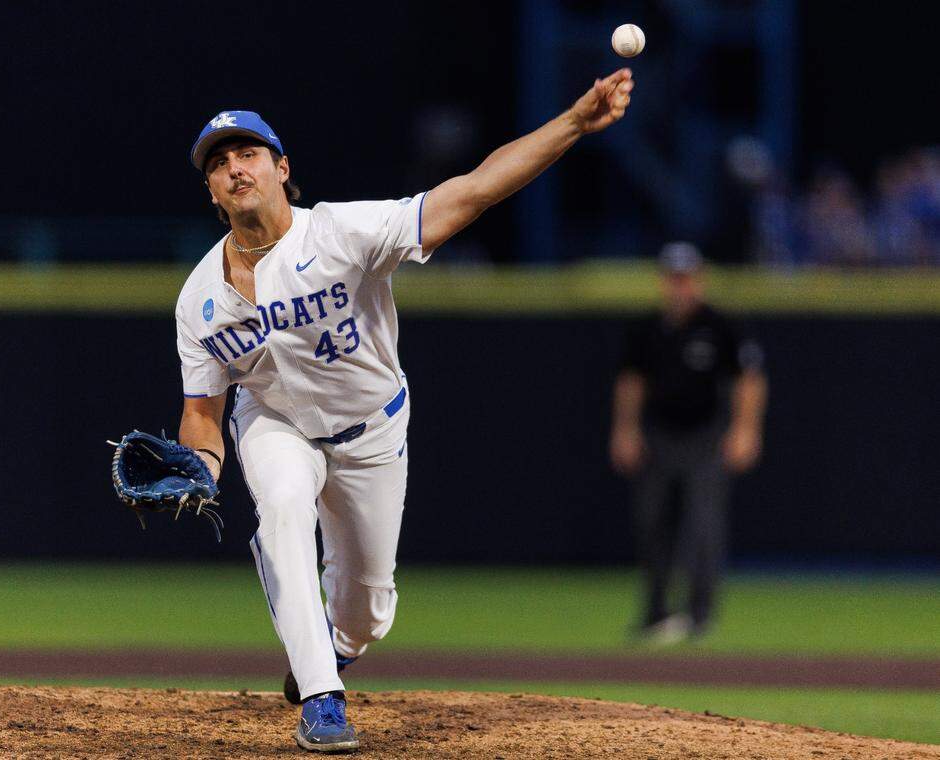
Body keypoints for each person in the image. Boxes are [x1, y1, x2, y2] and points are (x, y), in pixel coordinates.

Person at [176, 68, 635, 753]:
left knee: (367, 610)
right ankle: (323, 701)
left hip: (372, 430)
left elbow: (474, 190)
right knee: (281, 511)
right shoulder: (198, 299)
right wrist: (200, 468)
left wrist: (572, 122)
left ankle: (331, 648)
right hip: (275, 422)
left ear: (281, 169)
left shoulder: (341, 232)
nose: (233, 168)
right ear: (211, 189)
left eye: (246, 154)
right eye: (218, 163)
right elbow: (204, 414)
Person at [610, 242, 767, 644]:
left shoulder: (721, 324)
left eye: (687, 278)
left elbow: (749, 379)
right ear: (664, 281)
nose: (681, 286)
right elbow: (631, 381)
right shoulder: (647, 327)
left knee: (703, 525)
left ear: (700, 279)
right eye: (674, 278)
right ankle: (656, 613)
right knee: (651, 522)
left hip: (706, 436)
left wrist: (745, 430)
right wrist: (625, 430)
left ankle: (699, 616)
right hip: (659, 434)